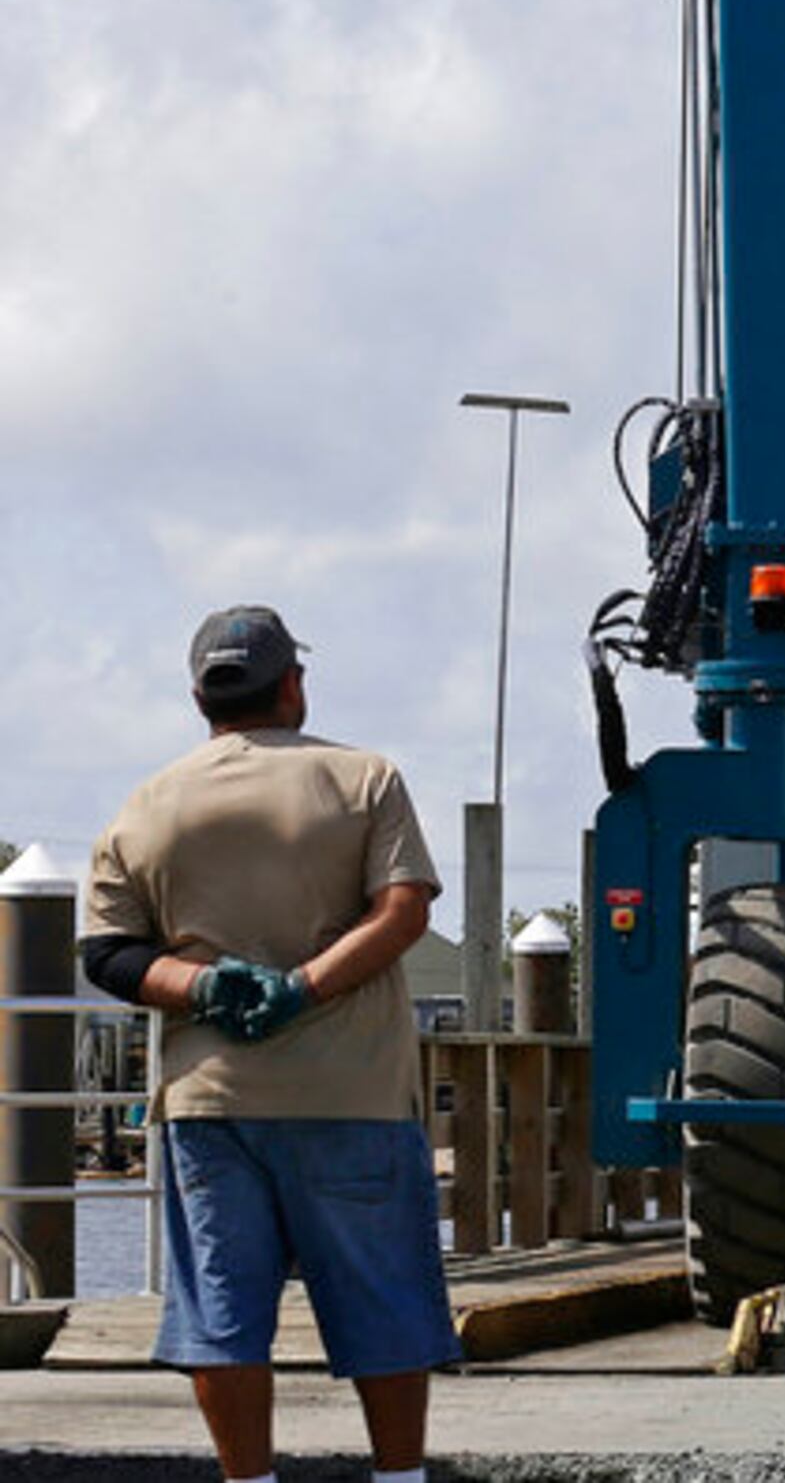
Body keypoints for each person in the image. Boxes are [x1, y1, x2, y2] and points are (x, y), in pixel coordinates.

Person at [78, 607, 447, 1483]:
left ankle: (248, 1479)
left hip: (213, 1105)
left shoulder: (147, 804)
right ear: (293, 684)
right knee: (384, 1300)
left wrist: (205, 986)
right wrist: (304, 987)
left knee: (221, 1311)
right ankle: (398, 1477)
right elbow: (404, 910)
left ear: (199, 697)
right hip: (352, 1095)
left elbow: (107, 954)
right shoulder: (366, 779)